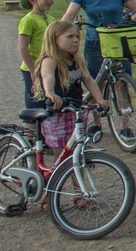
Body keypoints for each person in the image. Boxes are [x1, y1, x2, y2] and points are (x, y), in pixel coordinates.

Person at [33, 20, 108, 156]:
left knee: (78, 153)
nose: (75, 40)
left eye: (77, 37)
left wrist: (99, 99)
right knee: (61, 155)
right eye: (70, 37)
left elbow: (88, 80)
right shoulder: (50, 60)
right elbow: (48, 76)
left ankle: (77, 177)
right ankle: (60, 177)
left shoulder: (76, 60)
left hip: (76, 111)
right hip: (57, 114)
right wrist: (50, 93)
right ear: (54, 39)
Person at [17, 0, 58, 116]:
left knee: (49, 103)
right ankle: (30, 134)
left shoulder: (50, 20)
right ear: (32, 1)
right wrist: (32, 70)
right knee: (35, 105)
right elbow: (22, 46)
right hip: (34, 67)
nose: (49, 1)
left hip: (49, 67)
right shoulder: (29, 20)